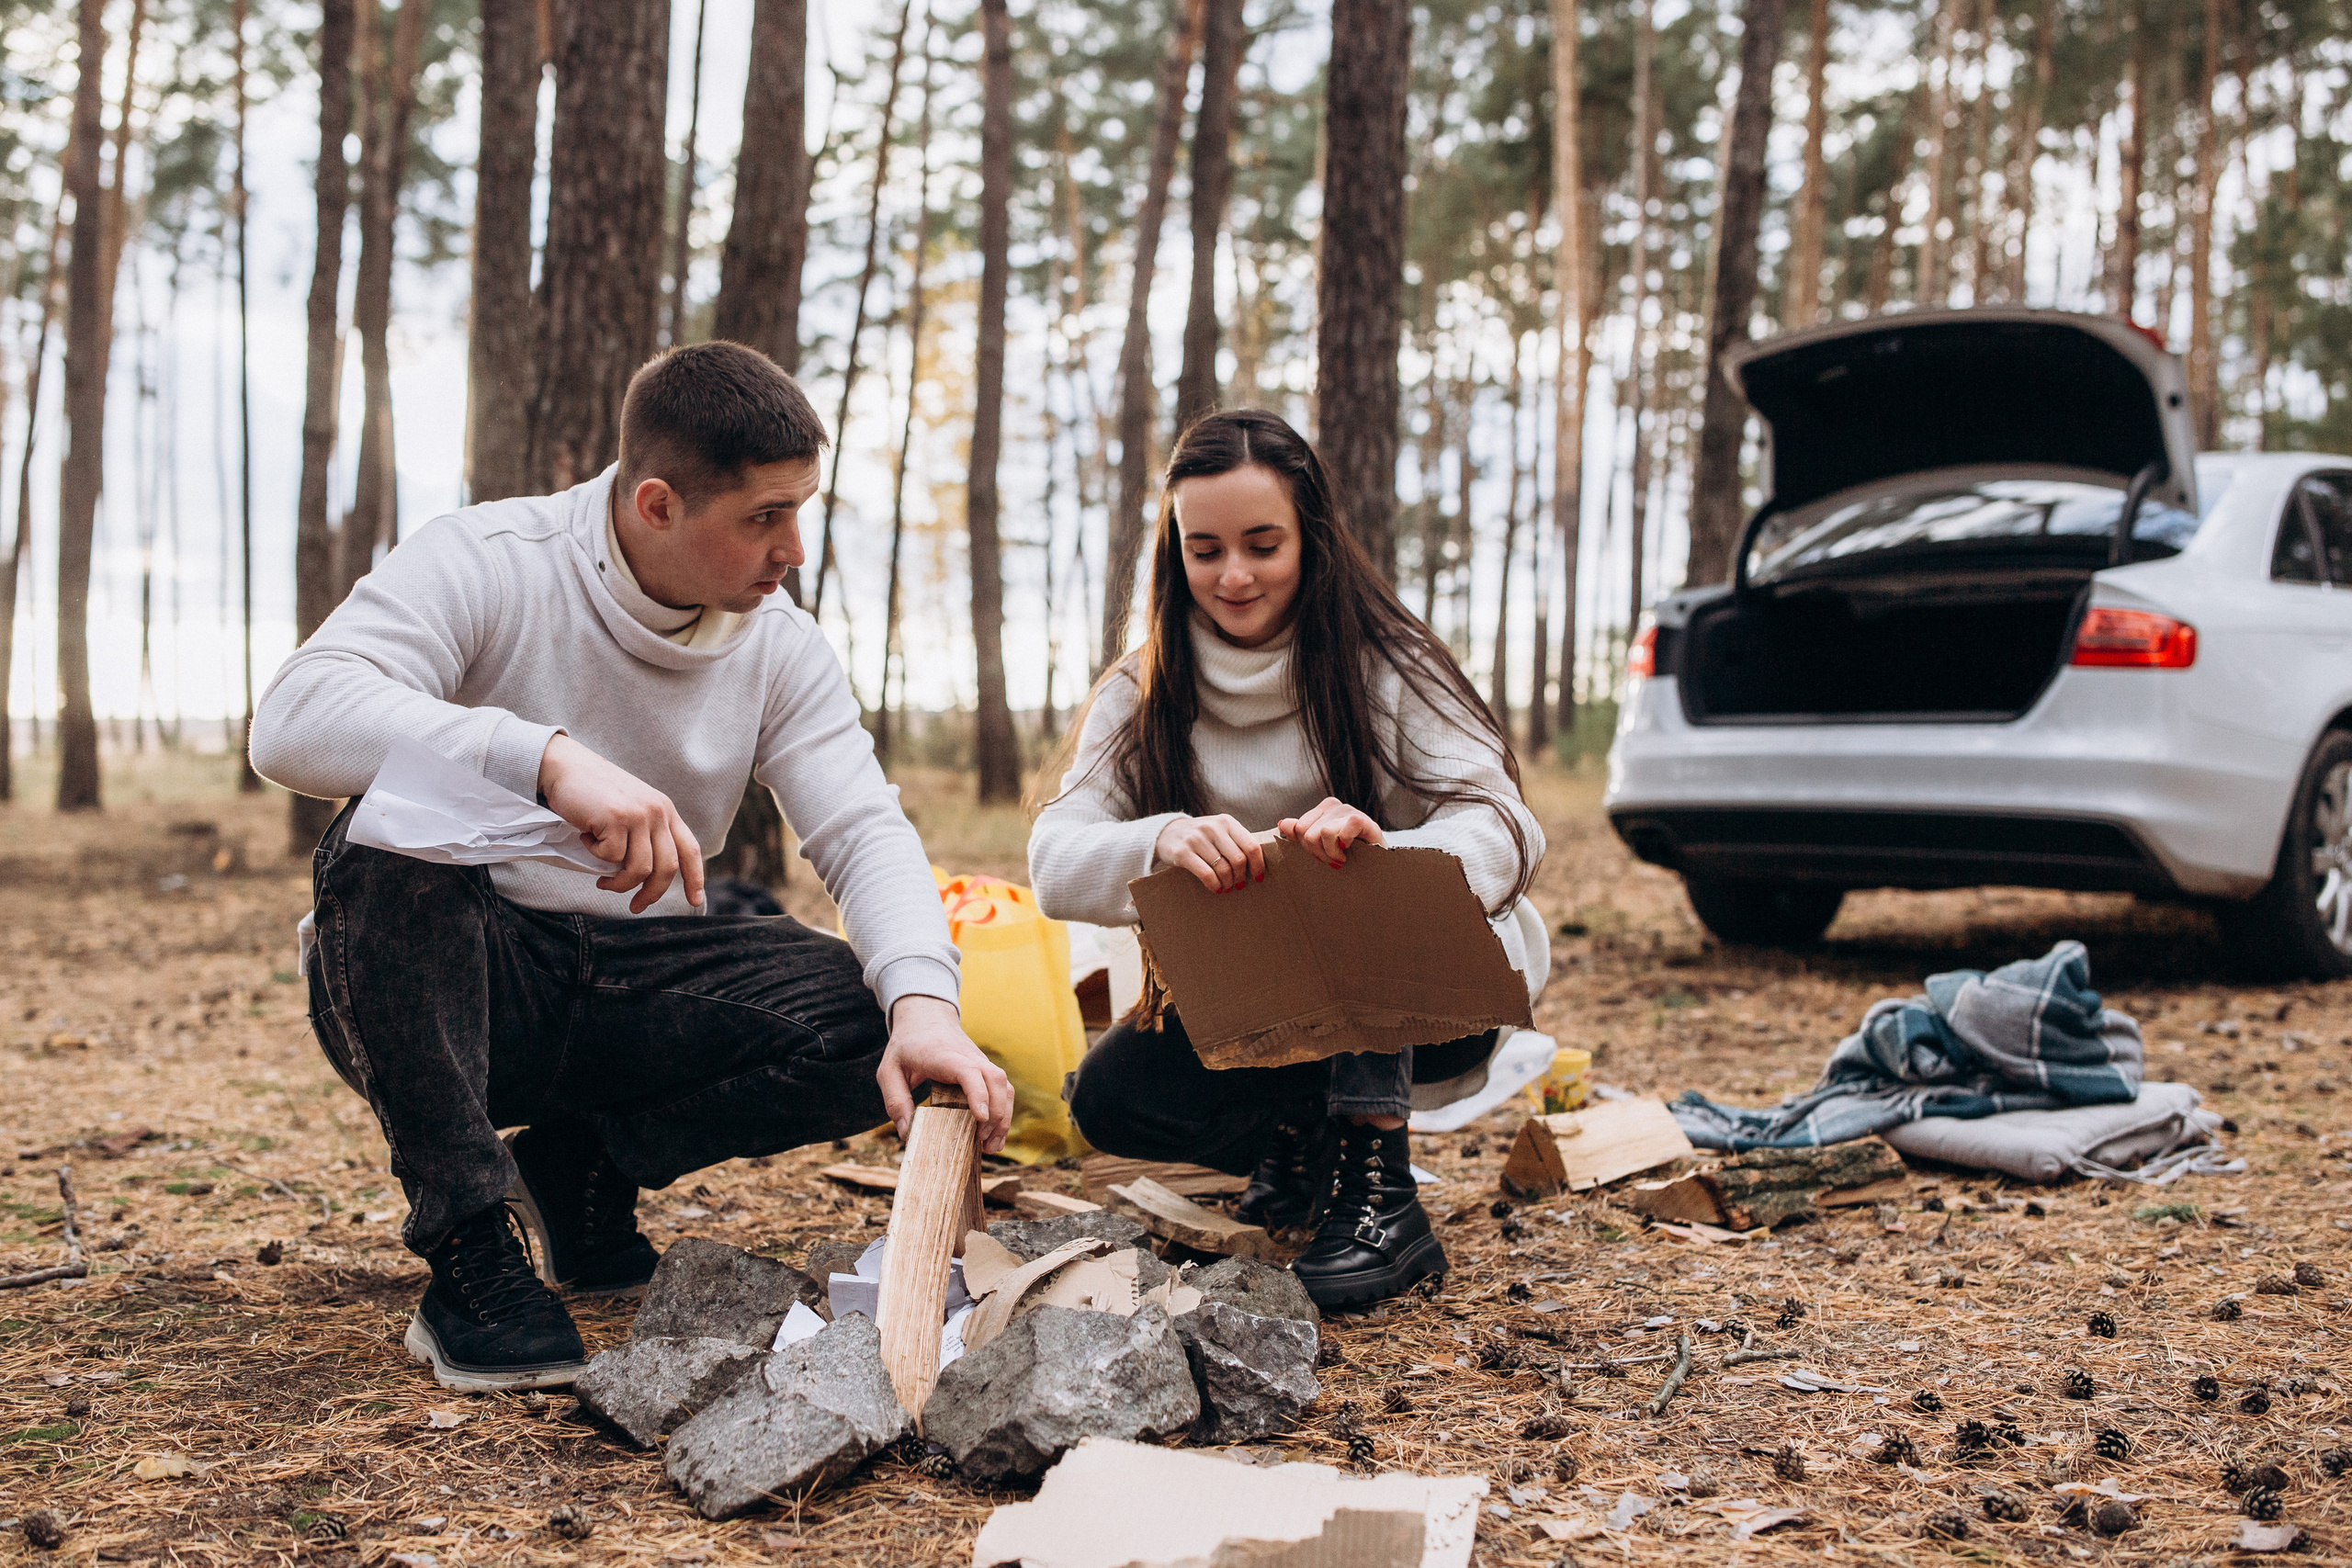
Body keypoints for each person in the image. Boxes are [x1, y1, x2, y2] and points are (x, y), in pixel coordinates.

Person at [250, 342, 1012, 1393]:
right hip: (452, 986)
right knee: (382, 847)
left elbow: (861, 829)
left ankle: (581, 1166)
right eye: (761, 518)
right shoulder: (491, 558)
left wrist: (925, 1004)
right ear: (657, 504)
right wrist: (543, 757)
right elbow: (290, 721)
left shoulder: (778, 644)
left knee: (871, 1010)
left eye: (802, 509)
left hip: (634, 990)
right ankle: (470, 1247)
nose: (793, 546)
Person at [1027, 409, 1546, 1309]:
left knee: (1346, 887)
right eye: (1206, 549)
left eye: (1262, 545)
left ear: (1310, 537)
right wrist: (1161, 840)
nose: (1233, 575)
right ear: (1175, 554)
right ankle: (1304, 1148)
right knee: (1108, 1102)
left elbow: (1503, 824)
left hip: (1426, 991)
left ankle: (1384, 1205)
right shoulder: (1141, 688)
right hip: (1250, 1002)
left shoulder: (1386, 664)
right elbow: (1053, 856)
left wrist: (1392, 855)